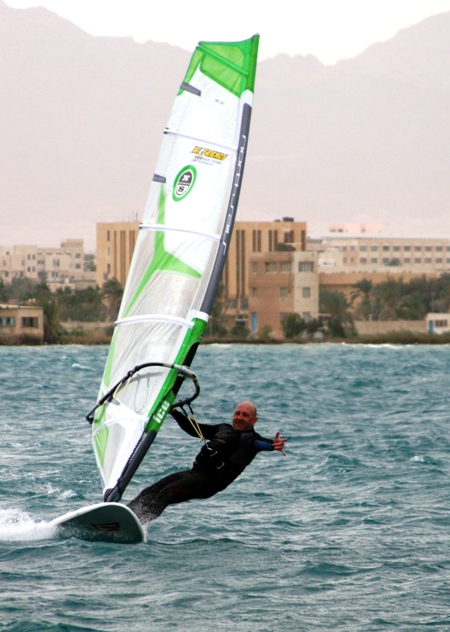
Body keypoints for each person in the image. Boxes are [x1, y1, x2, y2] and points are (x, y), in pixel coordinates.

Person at [127, 401, 287, 524]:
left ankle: (136, 523)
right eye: (237, 413)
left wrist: (274, 446)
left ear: (254, 420)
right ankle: (125, 513)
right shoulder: (223, 429)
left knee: (166, 494)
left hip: (208, 483)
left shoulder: (251, 440)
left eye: (245, 415)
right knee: (152, 490)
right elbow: (195, 429)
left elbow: (263, 444)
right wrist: (174, 412)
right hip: (195, 473)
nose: (239, 418)